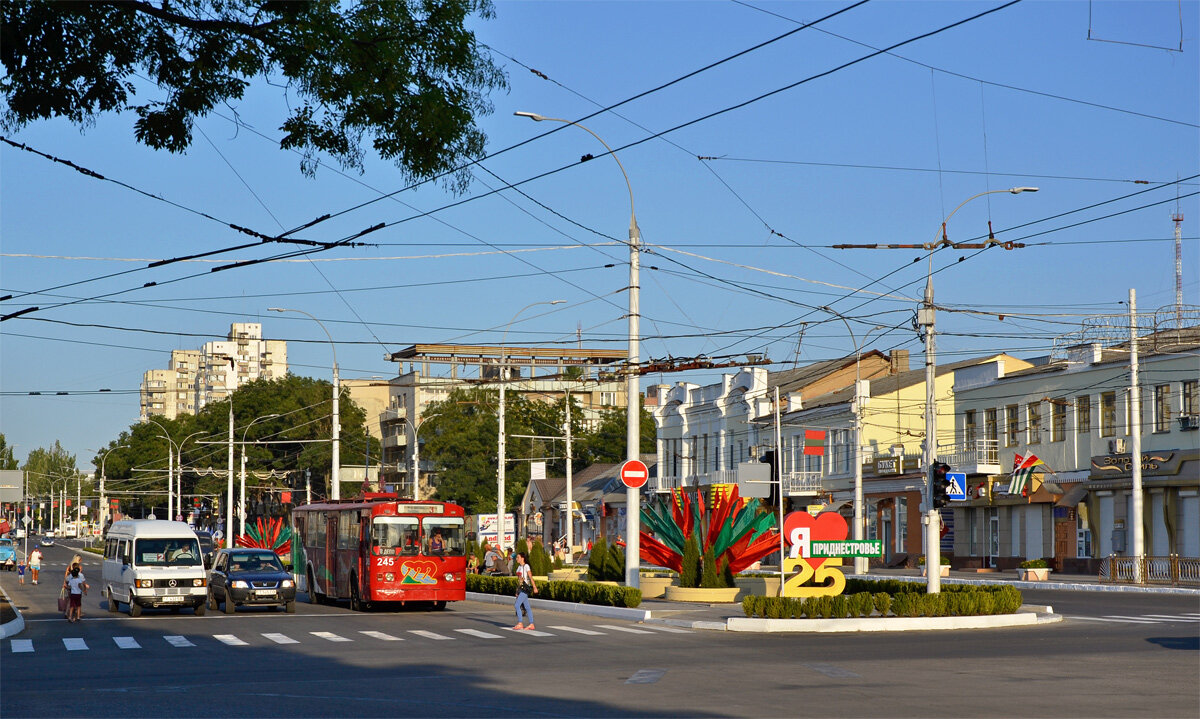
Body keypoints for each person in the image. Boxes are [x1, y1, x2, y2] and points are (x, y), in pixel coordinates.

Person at [512, 551, 538, 630]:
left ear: (522, 558)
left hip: (525, 589)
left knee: (517, 605)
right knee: (527, 607)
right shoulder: (519, 567)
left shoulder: (526, 566)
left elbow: (530, 577)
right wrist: (517, 591)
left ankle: (520, 623)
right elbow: (519, 581)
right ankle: (531, 624)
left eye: (518, 557)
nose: (517, 559)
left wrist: (534, 587)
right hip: (521, 589)